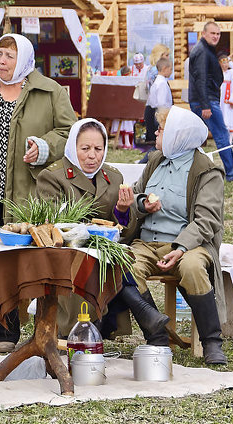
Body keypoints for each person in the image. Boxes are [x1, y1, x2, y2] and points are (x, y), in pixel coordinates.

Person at [0, 32, 76, 351]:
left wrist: (46, 147)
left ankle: (47, 326)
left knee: (32, 258)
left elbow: (69, 131)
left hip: (30, 191)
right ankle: (4, 331)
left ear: (23, 59)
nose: (1, 60)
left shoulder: (50, 92)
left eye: (8, 55)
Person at [35, 118, 169, 340]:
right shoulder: (52, 177)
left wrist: (122, 210)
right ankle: (149, 321)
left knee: (120, 258)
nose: (92, 155)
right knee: (100, 263)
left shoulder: (113, 176)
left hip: (105, 250)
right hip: (67, 252)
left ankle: (150, 324)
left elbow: (123, 232)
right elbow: (54, 224)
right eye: (85, 148)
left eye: (98, 149)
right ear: (72, 147)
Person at [122, 106, 228, 365]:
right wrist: (141, 203)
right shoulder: (155, 160)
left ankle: (212, 341)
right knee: (124, 265)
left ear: (177, 136)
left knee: (192, 267)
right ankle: (156, 333)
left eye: (160, 129)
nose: (155, 133)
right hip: (147, 242)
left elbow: (206, 220)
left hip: (188, 245)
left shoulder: (206, 171)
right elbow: (137, 193)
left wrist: (180, 248)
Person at [188, 22, 233, 181]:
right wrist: (206, 105)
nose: (216, 36)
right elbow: (200, 79)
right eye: (212, 33)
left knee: (194, 138)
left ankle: (190, 173)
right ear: (203, 33)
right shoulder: (202, 51)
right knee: (221, 135)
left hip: (204, 100)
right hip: (206, 101)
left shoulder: (206, 50)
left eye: (218, 34)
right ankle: (232, 173)